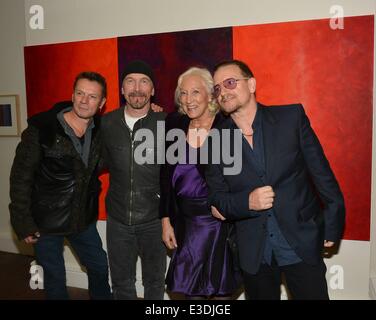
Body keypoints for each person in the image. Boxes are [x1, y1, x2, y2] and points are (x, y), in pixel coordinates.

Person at [206, 60, 345, 300]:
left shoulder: (290, 118)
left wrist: (332, 223)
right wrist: (247, 202)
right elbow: (217, 199)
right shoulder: (215, 141)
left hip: (300, 241)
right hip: (254, 252)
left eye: (230, 82)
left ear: (251, 84)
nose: (223, 92)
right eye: (217, 88)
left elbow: (323, 176)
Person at [9, 71, 112, 300]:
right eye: (80, 93)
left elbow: (129, 125)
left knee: (99, 266)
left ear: (102, 103)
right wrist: (22, 222)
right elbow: (20, 178)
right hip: (45, 222)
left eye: (92, 96)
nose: (84, 100)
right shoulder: (41, 129)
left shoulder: (102, 131)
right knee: (55, 279)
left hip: (81, 219)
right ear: (72, 94)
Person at [160, 67, 241, 300]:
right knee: (192, 292)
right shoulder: (174, 123)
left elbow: (239, 178)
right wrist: (165, 221)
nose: (188, 100)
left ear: (210, 95)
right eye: (183, 93)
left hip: (220, 224)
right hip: (186, 225)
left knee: (221, 293)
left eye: (195, 92)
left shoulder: (226, 126)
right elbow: (165, 177)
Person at [101, 60, 166, 300]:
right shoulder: (106, 123)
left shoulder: (166, 123)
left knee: (155, 282)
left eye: (144, 81)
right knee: (121, 283)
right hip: (118, 219)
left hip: (154, 219)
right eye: (130, 81)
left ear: (152, 90)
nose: (137, 88)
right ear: (121, 89)